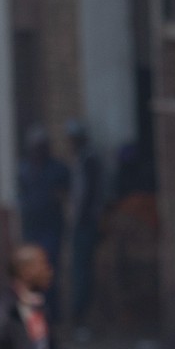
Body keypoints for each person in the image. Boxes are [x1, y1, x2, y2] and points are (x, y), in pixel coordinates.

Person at [16, 125, 71, 320]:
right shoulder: (24, 170)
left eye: (42, 146)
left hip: (51, 228)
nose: (38, 151)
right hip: (32, 229)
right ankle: (35, 315)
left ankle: (52, 314)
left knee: (48, 270)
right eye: (35, 147)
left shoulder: (57, 169)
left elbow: (67, 193)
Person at [65, 121, 107, 333]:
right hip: (83, 224)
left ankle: (82, 317)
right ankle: (80, 317)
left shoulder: (88, 160)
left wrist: (79, 218)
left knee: (83, 271)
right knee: (80, 271)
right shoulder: (83, 159)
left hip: (86, 225)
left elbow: (86, 197)